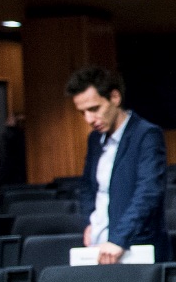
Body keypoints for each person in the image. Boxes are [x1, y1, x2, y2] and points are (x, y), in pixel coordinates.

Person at [66, 66, 169, 264]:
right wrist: (89, 222)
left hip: (133, 245)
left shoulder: (146, 135)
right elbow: (88, 187)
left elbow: (148, 192)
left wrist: (118, 239)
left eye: (94, 109)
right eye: (82, 113)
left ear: (115, 97)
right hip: (99, 244)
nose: (89, 119)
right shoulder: (94, 140)